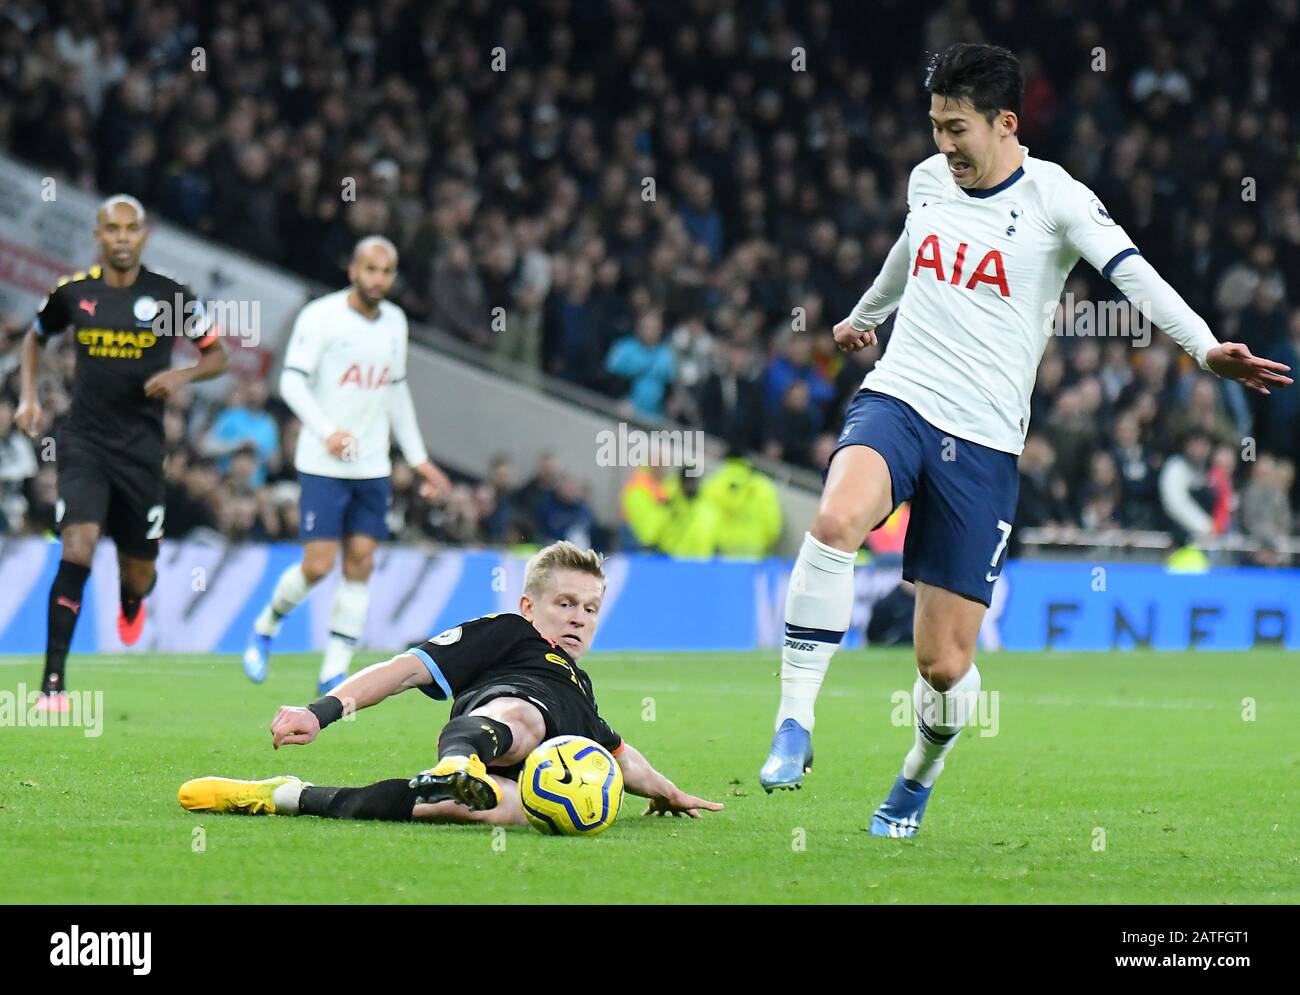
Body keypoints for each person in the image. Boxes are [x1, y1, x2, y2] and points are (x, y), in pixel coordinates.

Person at [758, 44, 1292, 837]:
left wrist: (1204, 347)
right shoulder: (929, 179)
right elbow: (911, 247)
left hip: (981, 442)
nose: (944, 144)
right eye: (935, 126)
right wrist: (867, 316)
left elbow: (1132, 272)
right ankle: (794, 721)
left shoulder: (1058, 199)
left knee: (941, 663)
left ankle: (920, 770)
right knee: (837, 520)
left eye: (958, 128)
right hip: (900, 398)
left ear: (1006, 123)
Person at [179, 541, 723, 825]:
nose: (579, 617)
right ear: (530, 606)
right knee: (525, 717)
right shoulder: (509, 633)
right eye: (565, 604)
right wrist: (318, 712)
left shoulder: (581, 691)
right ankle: (458, 762)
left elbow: (620, 755)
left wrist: (669, 792)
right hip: (503, 718)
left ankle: (286, 795)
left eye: (590, 608)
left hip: (520, 768)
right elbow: (402, 670)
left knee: (492, 810)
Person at [14, 194, 229, 709]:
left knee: (139, 572)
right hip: (84, 442)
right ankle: (52, 687)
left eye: (132, 229)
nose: (123, 237)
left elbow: (217, 355)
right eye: (113, 229)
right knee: (77, 547)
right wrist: (27, 396)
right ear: (98, 235)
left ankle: (130, 599)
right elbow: (34, 338)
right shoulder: (73, 293)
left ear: (144, 235)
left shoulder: (170, 296)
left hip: (141, 451)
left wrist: (183, 373)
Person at [242, 236, 451, 693]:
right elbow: (292, 382)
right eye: (371, 269)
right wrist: (326, 431)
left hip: (372, 464)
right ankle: (265, 626)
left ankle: (333, 672)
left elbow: (396, 391)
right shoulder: (321, 317)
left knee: (361, 561)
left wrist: (418, 460)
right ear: (353, 270)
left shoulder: (395, 322)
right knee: (318, 564)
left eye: (387, 271)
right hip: (323, 462)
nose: (379, 279)